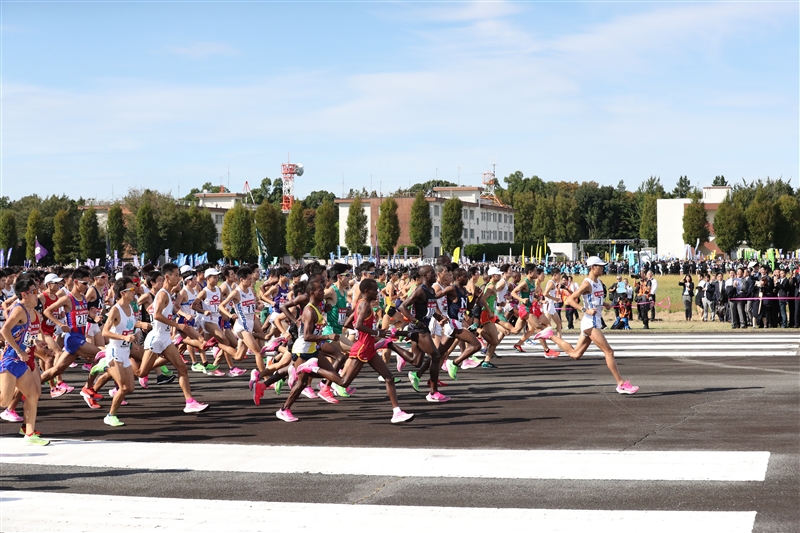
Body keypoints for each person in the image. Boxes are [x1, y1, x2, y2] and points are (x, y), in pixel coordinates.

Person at [542, 256, 639, 395]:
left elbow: (595, 300)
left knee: (575, 354)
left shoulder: (598, 282)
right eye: (600, 266)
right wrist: (584, 309)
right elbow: (569, 300)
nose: (603, 268)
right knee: (609, 352)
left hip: (594, 321)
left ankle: (550, 336)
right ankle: (621, 383)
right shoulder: (587, 284)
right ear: (593, 267)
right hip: (590, 322)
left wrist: (604, 304)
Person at [137, 263, 209, 414]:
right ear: (168, 277)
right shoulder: (162, 294)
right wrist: (177, 326)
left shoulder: (168, 295)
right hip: (156, 338)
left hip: (164, 338)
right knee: (141, 373)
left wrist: (191, 332)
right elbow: (156, 315)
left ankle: (189, 402)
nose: (179, 278)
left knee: (182, 368)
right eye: (176, 275)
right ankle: (108, 366)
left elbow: (166, 314)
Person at [0, 277, 49, 445]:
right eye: (34, 292)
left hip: (20, 361)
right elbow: (5, 330)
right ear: (24, 294)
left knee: (33, 394)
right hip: (10, 360)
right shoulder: (19, 310)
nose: (38, 295)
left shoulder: (29, 311)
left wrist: (35, 342)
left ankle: (29, 433)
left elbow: (22, 335)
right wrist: (20, 351)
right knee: (4, 401)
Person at [100, 277, 138, 426]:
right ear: (123, 293)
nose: (135, 291)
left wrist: (133, 339)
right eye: (132, 289)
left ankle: (105, 369)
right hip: (114, 350)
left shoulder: (130, 307)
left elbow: (130, 326)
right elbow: (105, 332)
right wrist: (124, 337)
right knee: (122, 388)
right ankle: (110, 415)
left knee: (130, 388)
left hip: (125, 352)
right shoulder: (116, 309)